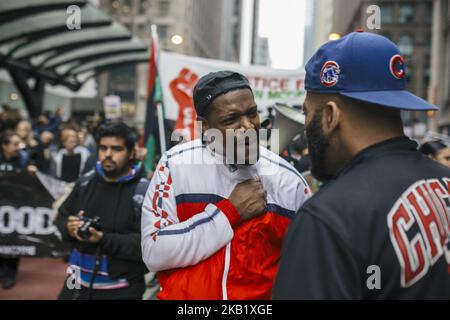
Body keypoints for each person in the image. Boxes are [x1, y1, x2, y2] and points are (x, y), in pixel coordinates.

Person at [274, 31, 450, 299]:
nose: (306, 126)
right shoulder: (445, 180)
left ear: (331, 115)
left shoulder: (328, 218)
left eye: (308, 113)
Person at [141, 71, 311, 300]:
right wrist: (228, 213)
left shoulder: (288, 180)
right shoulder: (175, 165)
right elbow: (154, 253)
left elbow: (306, 264)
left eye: (252, 113)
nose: (248, 126)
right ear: (204, 126)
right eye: (231, 119)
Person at [55, 122, 149, 300]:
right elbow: (62, 216)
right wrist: (68, 227)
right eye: (103, 148)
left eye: (116, 149)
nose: (108, 154)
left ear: (131, 153)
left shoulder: (144, 192)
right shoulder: (85, 182)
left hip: (122, 288)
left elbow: (149, 245)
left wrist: (103, 239)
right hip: (75, 282)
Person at [0, 130, 34, 289]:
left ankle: (10, 274)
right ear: (4, 146)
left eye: (19, 144)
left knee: (14, 242)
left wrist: (31, 173)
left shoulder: (23, 159)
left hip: (16, 209)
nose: (17, 147)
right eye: (14, 144)